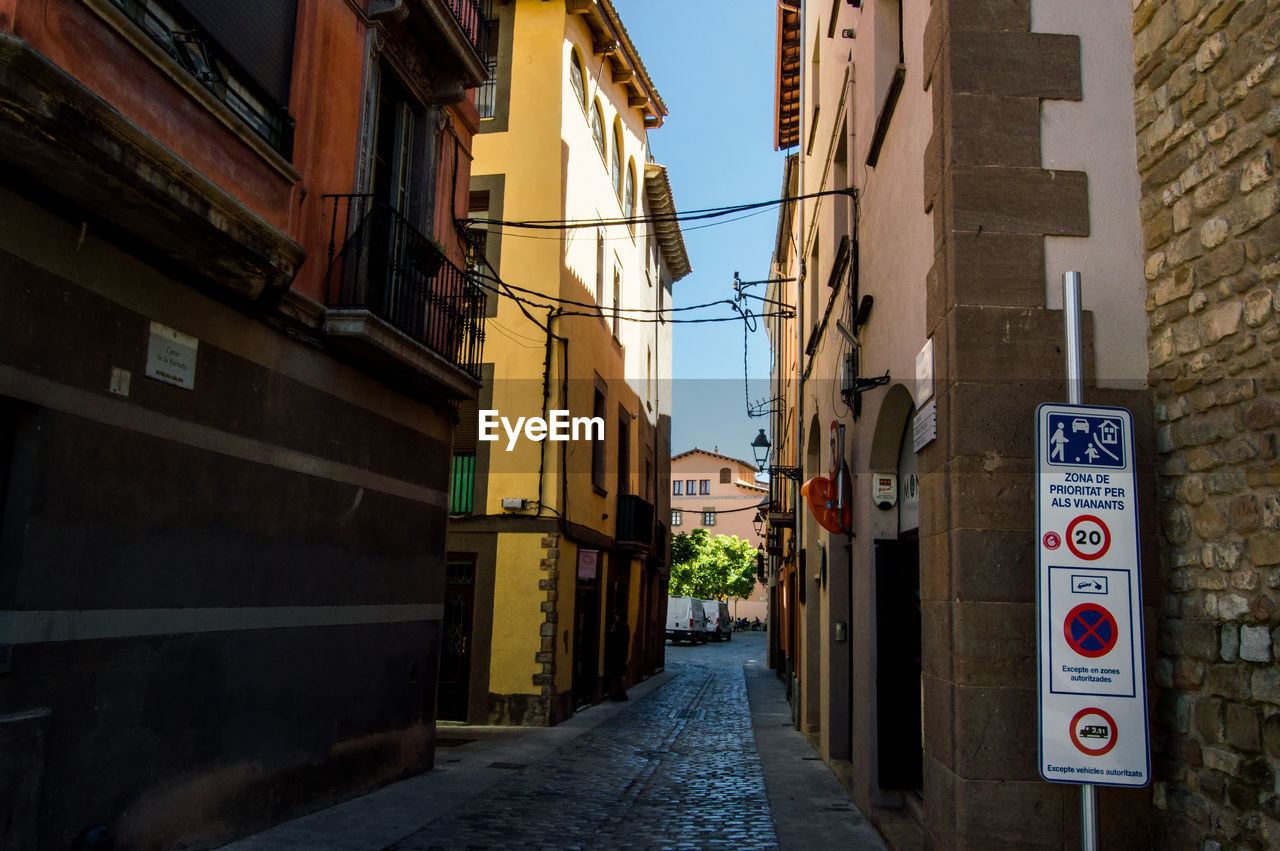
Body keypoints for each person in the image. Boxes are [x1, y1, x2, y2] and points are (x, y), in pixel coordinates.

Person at [605, 613, 630, 701]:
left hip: (616, 652)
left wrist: (614, 623)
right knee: (622, 673)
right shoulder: (626, 626)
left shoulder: (619, 626)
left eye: (616, 615)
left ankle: (616, 693)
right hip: (623, 652)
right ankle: (623, 693)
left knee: (616, 673)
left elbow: (611, 634)